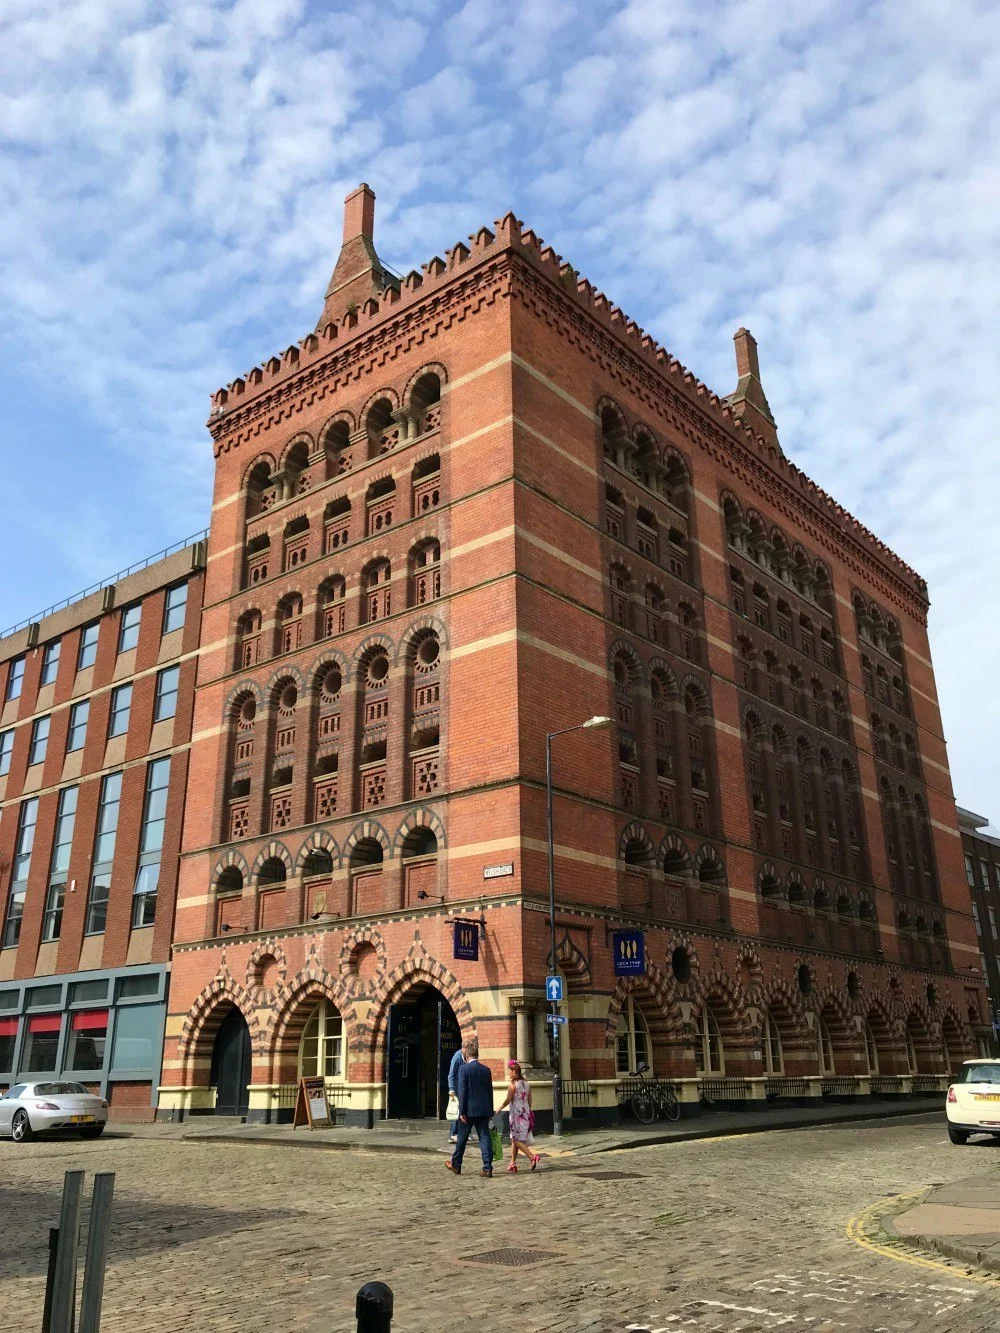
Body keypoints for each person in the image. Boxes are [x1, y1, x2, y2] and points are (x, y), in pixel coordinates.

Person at [446, 1038, 495, 1177]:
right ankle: (487, 1167)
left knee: (461, 1139)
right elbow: (489, 1091)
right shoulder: (486, 1070)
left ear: (467, 1055)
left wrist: (462, 1111)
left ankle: (456, 1165)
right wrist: (490, 1110)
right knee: (485, 1138)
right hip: (483, 1110)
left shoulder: (463, 1069)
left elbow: (462, 1091)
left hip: (468, 1111)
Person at [499, 1060, 540, 1173]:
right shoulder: (526, 1083)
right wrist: (528, 1110)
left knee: (516, 1139)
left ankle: (532, 1157)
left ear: (513, 1071)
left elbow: (508, 1099)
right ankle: (513, 1163)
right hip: (525, 1113)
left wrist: (499, 1108)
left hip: (516, 1115)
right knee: (515, 1138)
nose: (508, 1073)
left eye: (509, 1071)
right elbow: (529, 1099)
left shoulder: (512, 1085)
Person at [447, 1045, 465, 1143]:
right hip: (457, 1089)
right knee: (457, 1111)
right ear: (464, 1048)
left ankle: (464, 1133)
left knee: (462, 1110)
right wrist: (452, 1089)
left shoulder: (464, 1057)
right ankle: (453, 1134)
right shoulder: (457, 1057)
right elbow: (451, 1074)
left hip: (462, 1087)